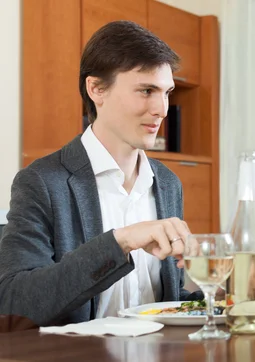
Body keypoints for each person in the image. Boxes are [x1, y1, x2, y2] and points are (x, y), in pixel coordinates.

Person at [0, 20, 202, 327]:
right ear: (96, 89)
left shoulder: (167, 184)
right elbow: (16, 301)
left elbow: (165, 304)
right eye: (146, 90)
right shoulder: (41, 182)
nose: (162, 109)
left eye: (166, 92)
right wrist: (121, 241)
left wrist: (211, 284)